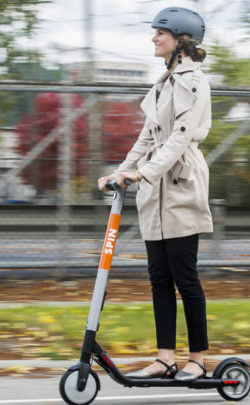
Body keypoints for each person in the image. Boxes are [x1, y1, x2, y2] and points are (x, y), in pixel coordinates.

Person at [97, 7, 212, 382]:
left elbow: (179, 139)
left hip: (179, 183)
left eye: (159, 32)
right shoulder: (162, 83)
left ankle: (196, 358)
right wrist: (120, 172)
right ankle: (165, 358)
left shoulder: (193, 82)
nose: (153, 38)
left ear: (180, 39)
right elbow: (147, 137)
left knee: (185, 275)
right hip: (155, 187)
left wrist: (141, 173)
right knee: (159, 277)